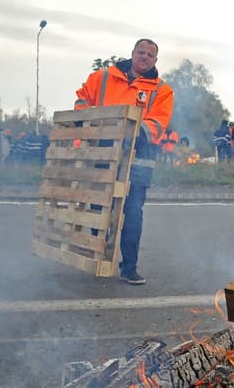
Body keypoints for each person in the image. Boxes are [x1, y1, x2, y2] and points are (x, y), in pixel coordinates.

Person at [74, 38, 174, 285]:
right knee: (99, 207)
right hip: (102, 153)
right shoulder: (103, 77)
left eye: (150, 55)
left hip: (138, 158)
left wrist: (133, 132)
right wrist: (88, 121)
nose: (145, 57)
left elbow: (158, 122)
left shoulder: (161, 90)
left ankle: (129, 268)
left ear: (155, 60)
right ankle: (98, 260)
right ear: (132, 53)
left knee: (132, 213)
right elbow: (81, 100)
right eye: (142, 52)